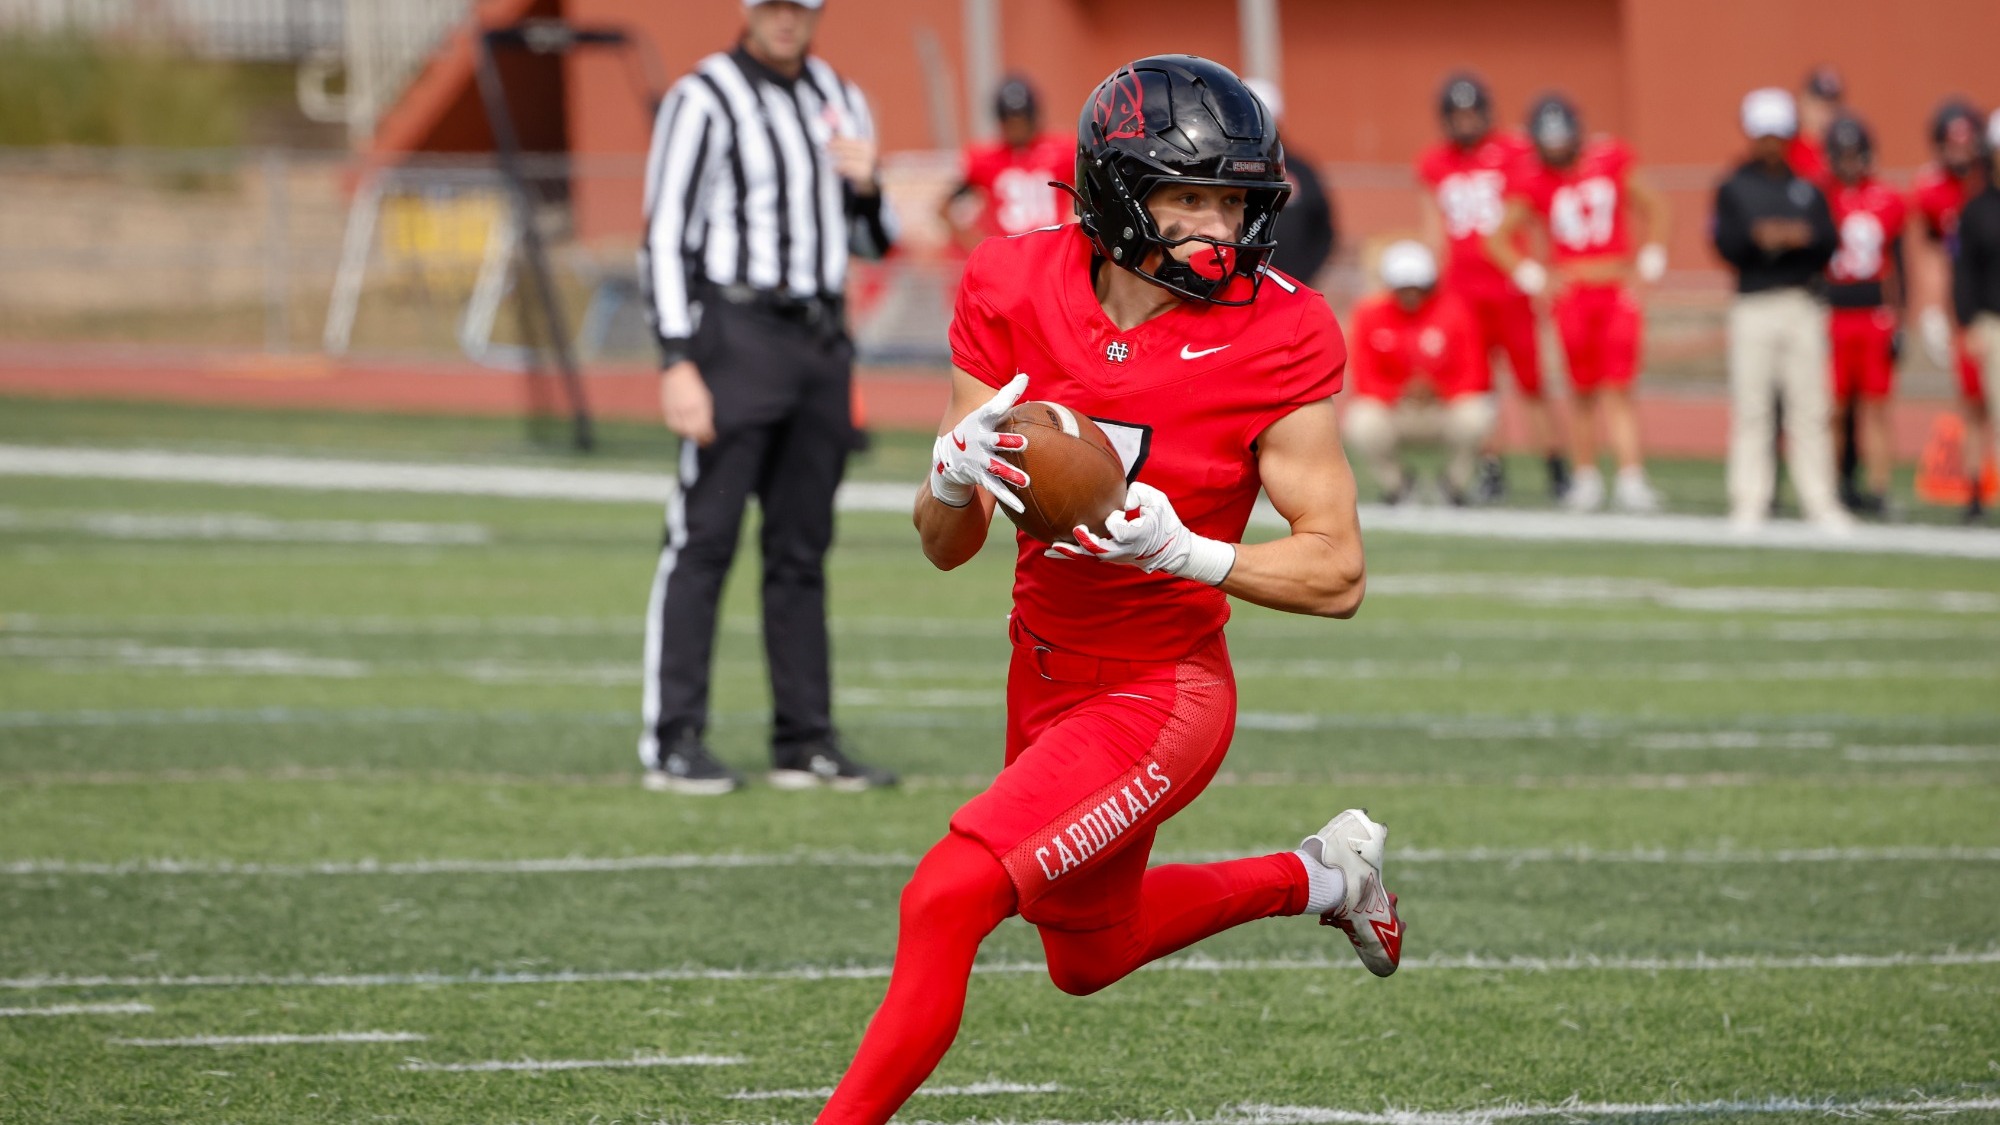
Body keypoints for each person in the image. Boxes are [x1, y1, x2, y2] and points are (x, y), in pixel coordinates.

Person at [813, 56, 1400, 1125]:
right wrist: (948, 477)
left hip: (1160, 688)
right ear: (1118, 192)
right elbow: (947, 547)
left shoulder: (1280, 328)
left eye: (1233, 200)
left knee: (943, 898)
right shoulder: (1008, 283)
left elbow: (1337, 570)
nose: (1218, 228)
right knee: (1089, 954)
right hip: (1037, 664)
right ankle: (1323, 878)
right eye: (1189, 198)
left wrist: (1193, 556)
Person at [636, 0, 899, 794]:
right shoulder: (705, 95)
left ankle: (804, 739)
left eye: (800, 8)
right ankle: (674, 736)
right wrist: (677, 357)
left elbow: (872, 240)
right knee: (705, 535)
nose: (786, 20)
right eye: (773, 6)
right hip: (737, 332)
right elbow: (664, 232)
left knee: (802, 547)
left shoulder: (840, 96)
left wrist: (868, 187)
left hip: (821, 339)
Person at [1488, 92, 1670, 512]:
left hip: (1614, 285)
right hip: (1572, 293)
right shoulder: (1533, 178)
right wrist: (1533, 275)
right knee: (1582, 390)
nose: (1556, 148)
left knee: (1620, 387)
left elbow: (1656, 207)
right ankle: (1587, 476)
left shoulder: (1611, 158)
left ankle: (1630, 477)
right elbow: (1496, 238)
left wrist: (1651, 259)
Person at [1416, 72, 1568, 503]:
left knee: (1532, 382)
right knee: (1478, 387)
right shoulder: (1434, 162)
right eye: (1457, 114)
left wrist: (1538, 268)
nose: (1465, 122)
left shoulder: (1515, 150)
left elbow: (1533, 213)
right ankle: (1491, 469)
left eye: (1471, 112)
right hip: (1463, 291)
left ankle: (1557, 466)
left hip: (1510, 286)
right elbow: (1433, 229)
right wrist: (1433, 281)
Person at [1712, 88, 1849, 532]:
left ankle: (1820, 501)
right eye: (1763, 133)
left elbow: (1828, 241)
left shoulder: (1808, 186)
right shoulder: (1734, 186)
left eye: (1778, 133)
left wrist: (1795, 238)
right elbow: (1726, 243)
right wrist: (1760, 240)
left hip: (1801, 301)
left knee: (1810, 408)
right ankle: (1750, 500)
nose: (1771, 142)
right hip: (1753, 303)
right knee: (1752, 408)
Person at [1341, 240, 1494, 504]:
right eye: (1403, 287)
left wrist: (1439, 389)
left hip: (1443, 407)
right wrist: (1400, 392)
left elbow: (1476, 372)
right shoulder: (1369, 315)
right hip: (1397, 408)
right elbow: (1364, 377)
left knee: (1479, 413)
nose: (1411, 294)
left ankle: (1453, 483)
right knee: (1361, 420)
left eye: (1417, 287)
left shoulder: (1455, 311)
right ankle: (1398, 484)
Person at [1820, 115, 1907, 516]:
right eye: (1843, 154)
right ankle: (1835, 484)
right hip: (1834, 312)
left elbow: (1899, 266)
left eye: (1856, 154)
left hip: (1873, 314)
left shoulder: (1888, 199)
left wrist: (1902, 321)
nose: (1850, 162)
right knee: (1834, 408)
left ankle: (1879, 487)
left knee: (1876, 407)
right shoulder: (1819, 197)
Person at [1912, 98, 1993, 521]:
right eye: (1952, 143)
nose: (1959, 152)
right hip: (1970, 309)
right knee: (1973, 402)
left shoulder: (1985, 189)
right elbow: (1933, 256)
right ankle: (1975, 492)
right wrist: (1932, 310)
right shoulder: (1932, 190)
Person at [938, 76, 1074, 251]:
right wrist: (976, 246)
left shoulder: (1062, 150)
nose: (1017, 128)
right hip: (1008, 254)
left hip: (1052, 250)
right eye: (1010, 122)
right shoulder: (984, 158)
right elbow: (944, 208)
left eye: (1022, 120)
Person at [1948, 110, 2000, 520]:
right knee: (1981, 410)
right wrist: (1967, 323)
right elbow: (1963, 271)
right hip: (1991, 321)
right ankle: (1975, 494)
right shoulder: (1977, 210)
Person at [1246, 77, 1337, 284]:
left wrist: (1304, 274)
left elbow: (1324, 227)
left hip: (1292, 286)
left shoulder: (1300, 169)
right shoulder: (1222, 169)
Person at [1788, 65, 1844, 183]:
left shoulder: (1845, 153)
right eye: (1818, 107)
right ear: (1801, 103)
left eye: (1830, 108)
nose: (1824, 116)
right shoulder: (1786, 150)